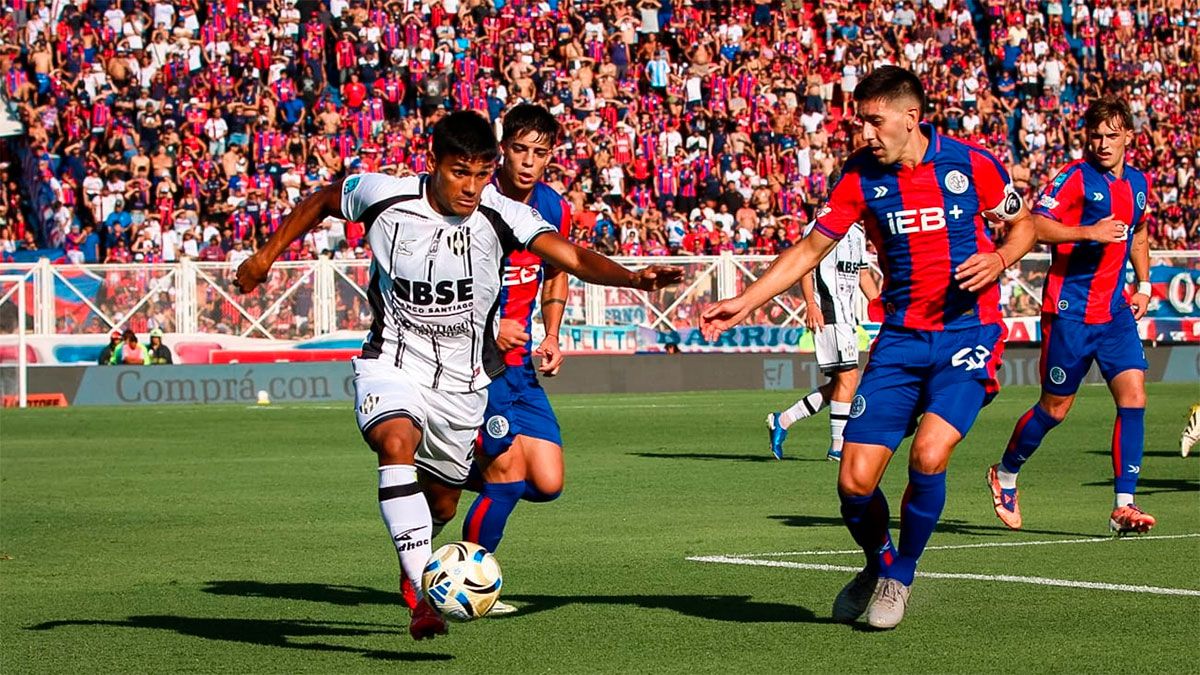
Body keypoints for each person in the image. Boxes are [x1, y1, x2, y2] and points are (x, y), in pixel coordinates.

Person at [234, 111, 681, 641]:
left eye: (482, 174)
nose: (471, 187)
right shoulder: (385, 195)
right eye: (459, 172)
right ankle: (421, 598)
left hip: (463, 384)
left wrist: (635, 279)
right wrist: (264, 257)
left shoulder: (502, 213)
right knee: (396, 441)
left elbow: (571, 257)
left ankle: (427, 548)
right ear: (434, 163)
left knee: (444, 501)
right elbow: (324, 199)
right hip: (392, 361)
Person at [700, 66, 1036, 629]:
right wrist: (746, 300)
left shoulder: (971, 164)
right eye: (862, 122)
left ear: (911, 118)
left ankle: (900, 576)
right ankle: (878, 563)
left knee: (929, 454)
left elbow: (1025, 225)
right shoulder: (859, 177)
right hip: (899, 342)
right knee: (854, 483)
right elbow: (809, 250)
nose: (866, 133)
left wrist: (1000, 257)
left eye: (876, 122)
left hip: (968, 336)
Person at [987, 97, 1156, 535]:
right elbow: (1033, 225)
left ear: (1128, 137)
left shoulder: (1139, 183)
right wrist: (1088, 232)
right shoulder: (1074, 178)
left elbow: (1138, 231)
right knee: (1055, 409)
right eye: (1095, 136)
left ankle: (1123, 505)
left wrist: (1143, 284)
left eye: (1112, 136)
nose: (1103, 144)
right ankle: (1005, 472)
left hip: (1114, 311)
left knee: (1134, 396)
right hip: (1070, 313)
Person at [453, 105, 573, 617]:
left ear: (550, 156)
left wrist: (553, 333)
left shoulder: (553, 207)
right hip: (477, 361)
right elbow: (446, 280)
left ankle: (446, 467)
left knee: (546, 483)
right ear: (502, 148)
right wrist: (489, 326)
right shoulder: (474, 202)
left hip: (522, 365)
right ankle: (464, 581)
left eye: (538, 153)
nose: (527, 161)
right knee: (507, 476)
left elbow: (557, 272)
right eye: (519, 149)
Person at [766, 217, 879, 461]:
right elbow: (805, 268)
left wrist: (881, 305)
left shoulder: (857, 233)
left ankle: (783, 420)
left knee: (841, 384)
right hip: (828, 312)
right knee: (848, 378)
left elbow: (862, 274)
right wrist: (810, 304)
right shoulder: (821, 226)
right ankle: (838, 446)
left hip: (848, 316)